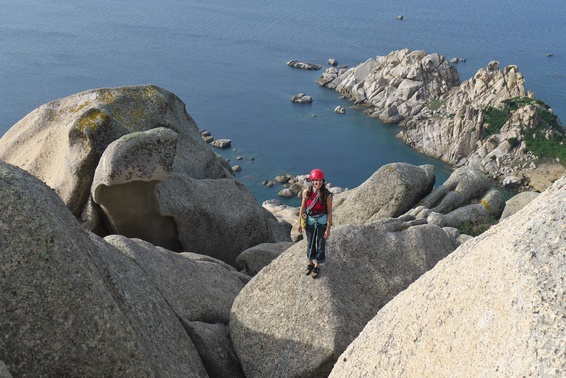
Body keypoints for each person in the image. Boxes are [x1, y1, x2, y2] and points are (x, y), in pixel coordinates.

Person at [297, 168, 333, 279]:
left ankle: (317, 264)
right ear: (312, 181)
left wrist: (328, 229)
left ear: (323, 181)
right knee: (310, 242)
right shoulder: (306, 192)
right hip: (310, 221)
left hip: (321, 222)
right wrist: (299, 223)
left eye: (320, 180)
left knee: (321, 243)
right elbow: (303, 207)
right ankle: (310, 261)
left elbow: (330, 212)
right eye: (316, 180)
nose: (318, 182)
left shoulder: (327, 195)